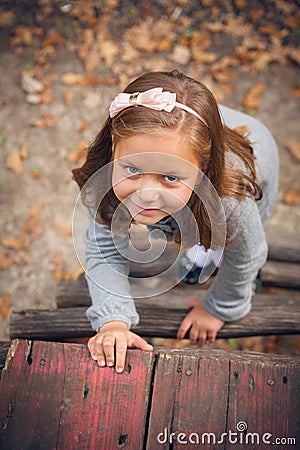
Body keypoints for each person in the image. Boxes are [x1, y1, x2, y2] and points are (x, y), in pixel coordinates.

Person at [72, 70, 278, 373]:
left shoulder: (231, 199)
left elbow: (248, 253)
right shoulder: (105, 179)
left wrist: (218, 308)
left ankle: (204, 255)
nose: (147, 194)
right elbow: (103, 247)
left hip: (255, 161)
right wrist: (113, 320)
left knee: (221, 239)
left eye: (169, 177)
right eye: (132, 169)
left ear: (203, 169)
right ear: (115, 145)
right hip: (188, 151)